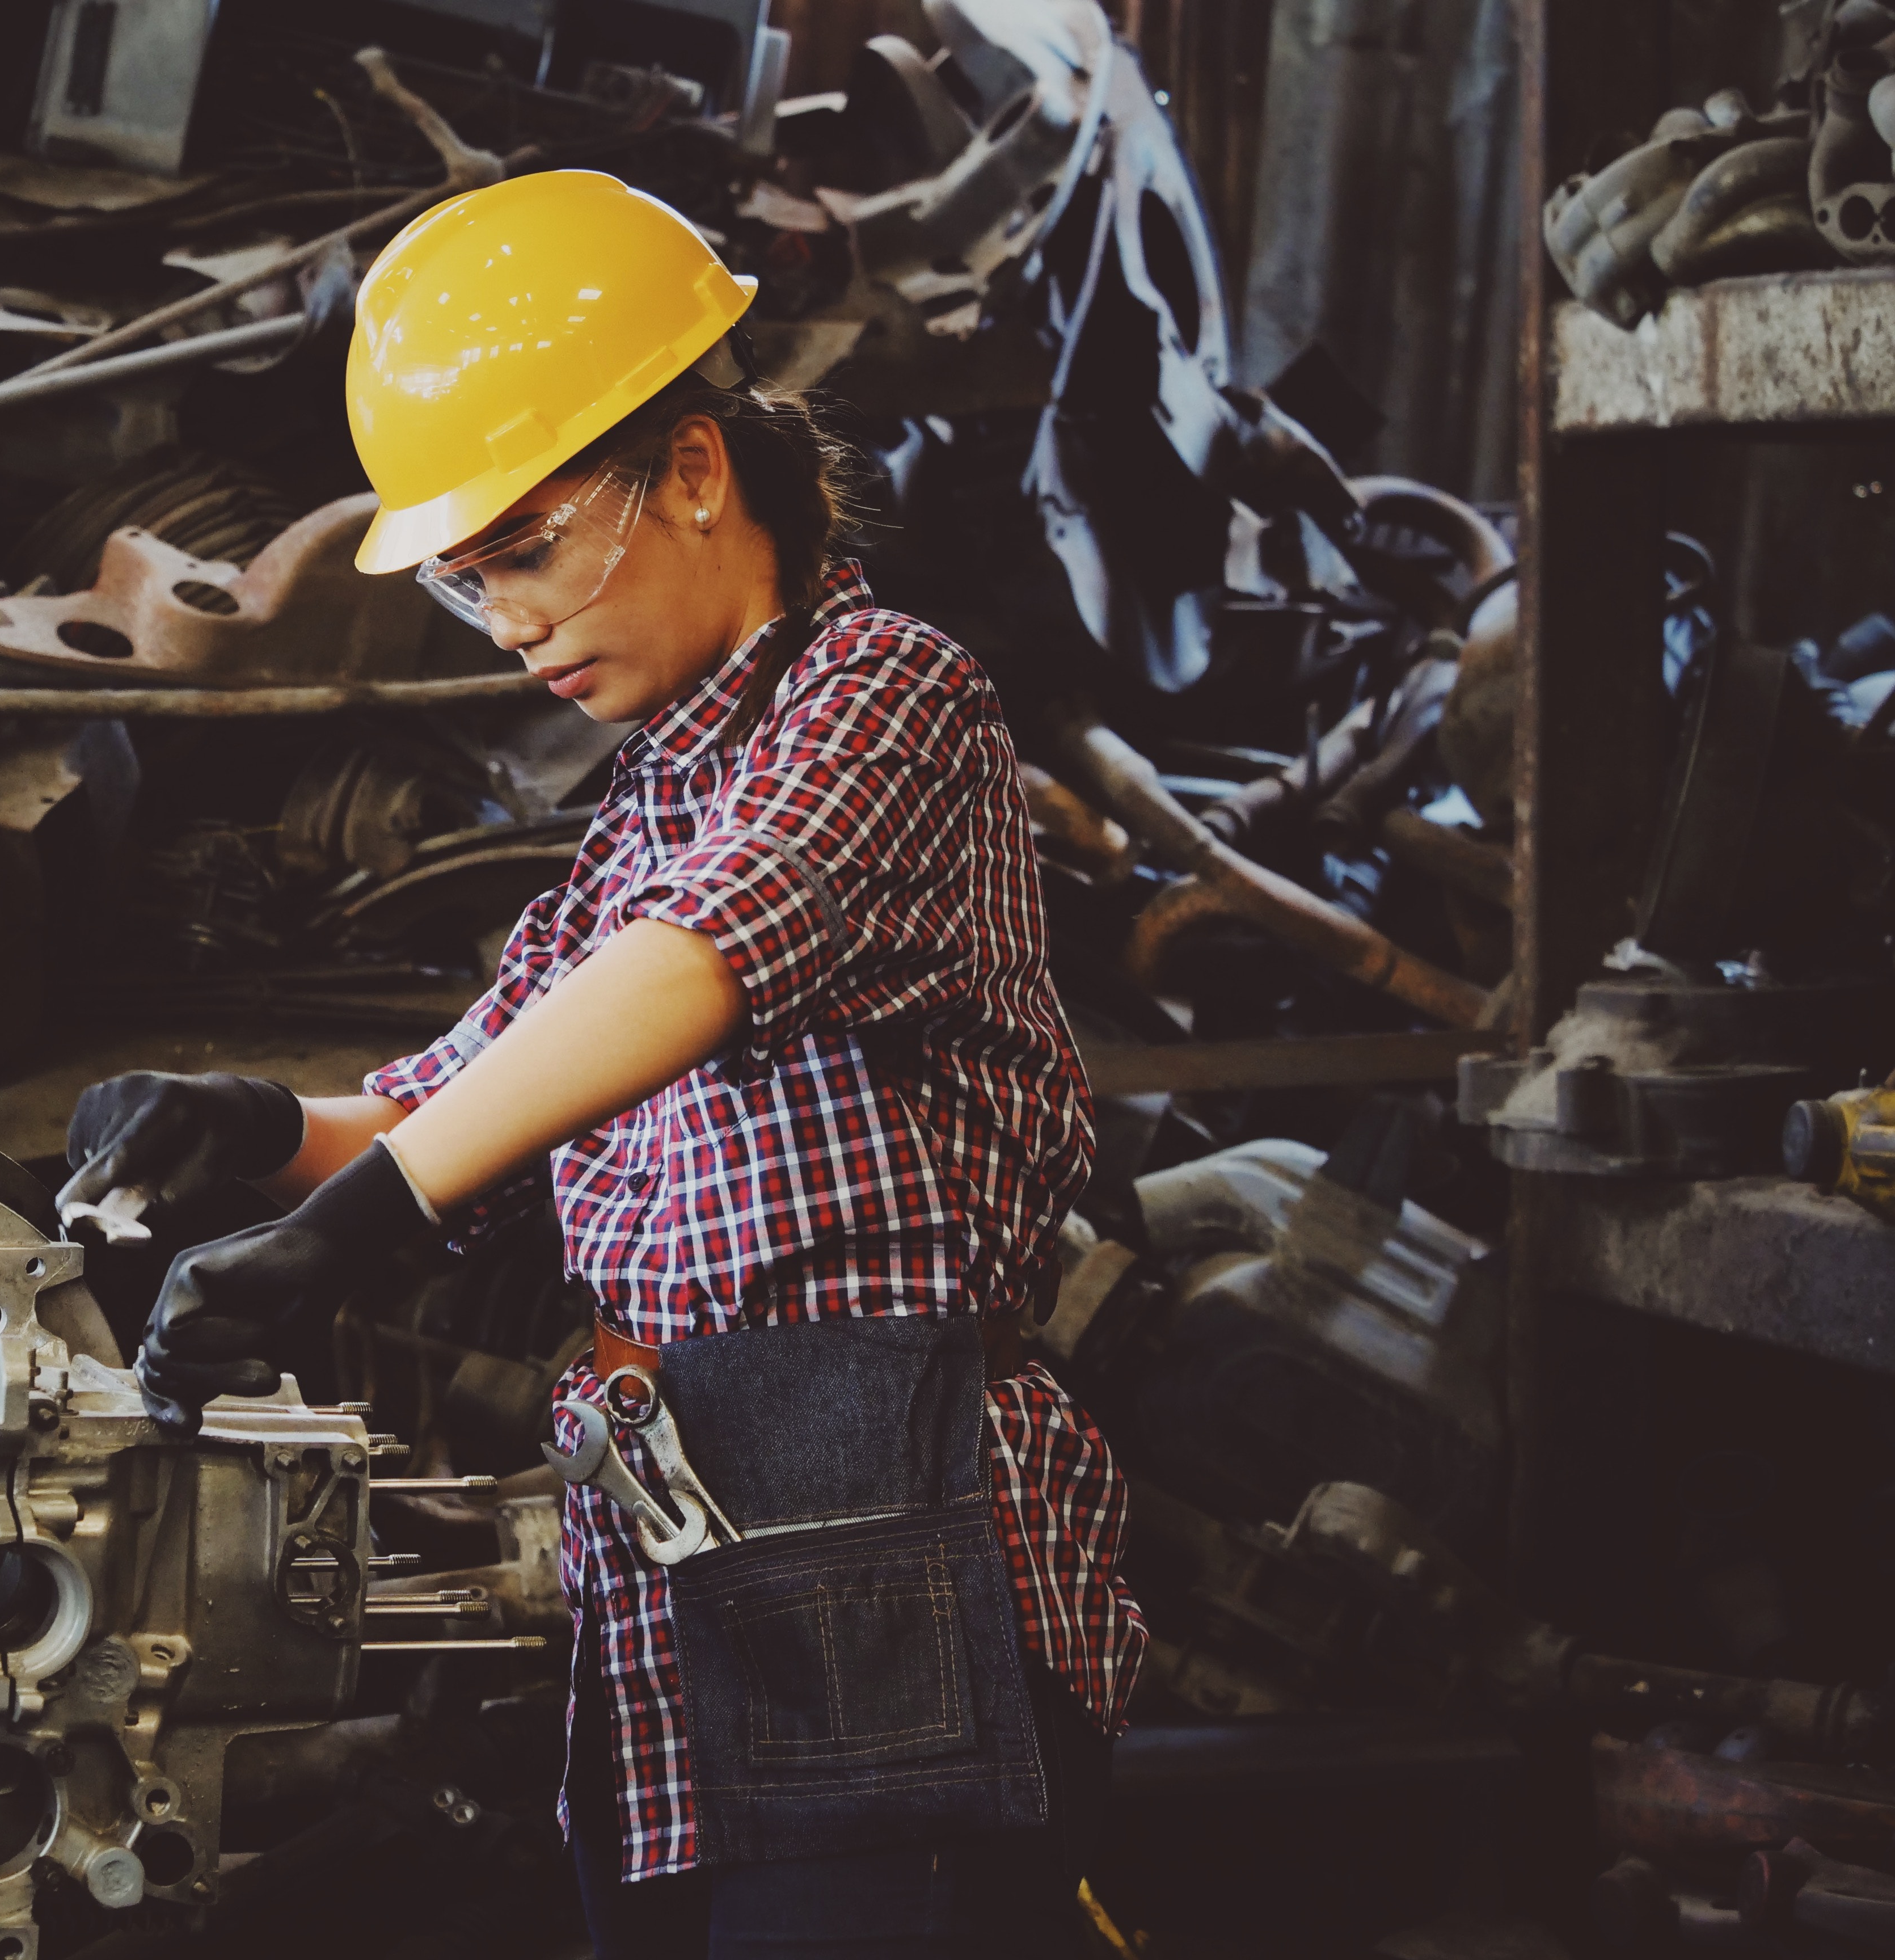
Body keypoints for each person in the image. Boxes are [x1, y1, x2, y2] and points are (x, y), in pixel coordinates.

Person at [57, 170, 1145, 1958]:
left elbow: (699, 961)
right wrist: (249, 1133)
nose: (510, 625)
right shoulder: (648, 808)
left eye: (533, 550)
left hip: (890, 1539)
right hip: (680, 1557)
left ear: (698, 472)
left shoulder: (886, 697)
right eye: (474, 582)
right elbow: (457, 1097)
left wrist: (367, 1224)